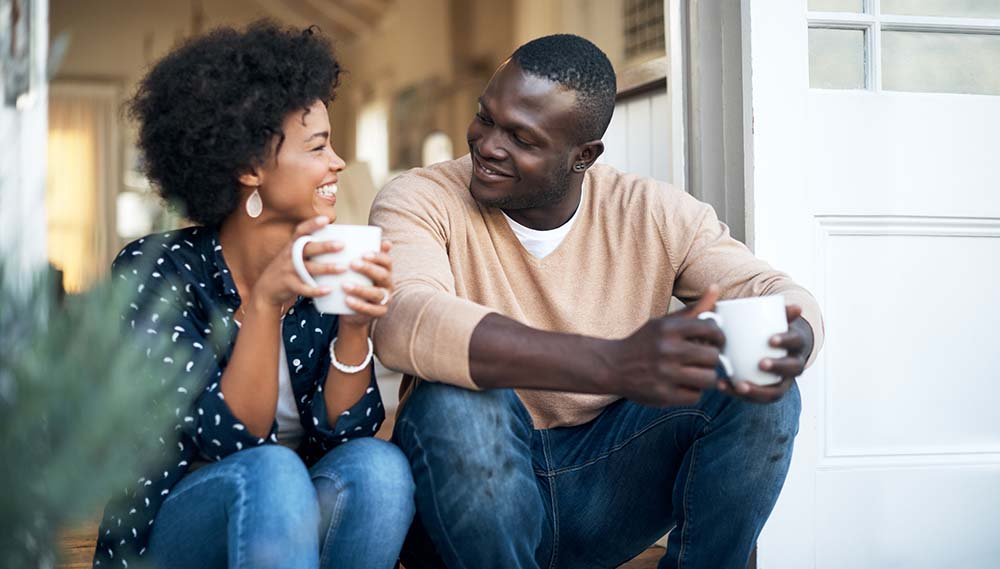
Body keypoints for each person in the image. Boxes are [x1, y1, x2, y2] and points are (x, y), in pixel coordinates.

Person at [370, 34, 824, 569]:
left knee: (759, 385)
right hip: (469, 492)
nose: (489, 144)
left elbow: (775, 293)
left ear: (583, 156)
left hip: (606, 487)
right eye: (485, 118)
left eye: (522, 138)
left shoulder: (654, 211)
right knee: (457, 401)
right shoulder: (419, 198)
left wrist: (792, 338)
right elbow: (403, 321)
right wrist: (613, 364)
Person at [93, 22, 414, 569]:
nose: (338, 162)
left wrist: (356, 324)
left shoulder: (323, 265)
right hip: (175, 532)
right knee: (273, 470)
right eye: (318, 146)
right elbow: (228, 442)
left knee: (379, 467)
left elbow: (346, 433)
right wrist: (264, 304)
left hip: (286, 532)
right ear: (247, 168)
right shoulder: (160, 273)